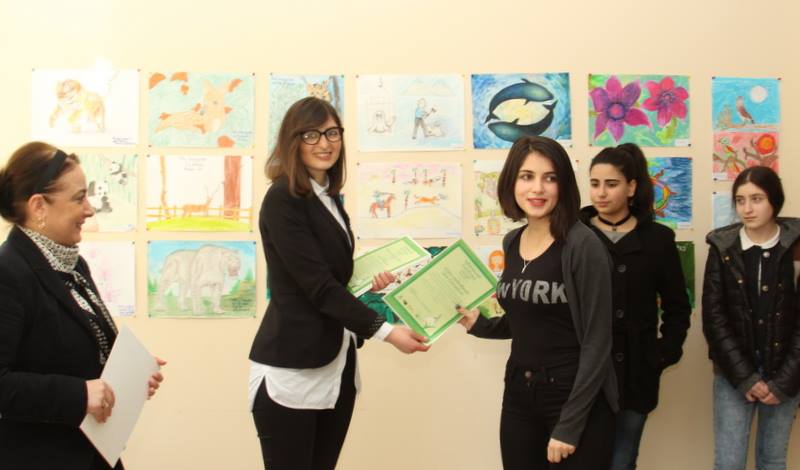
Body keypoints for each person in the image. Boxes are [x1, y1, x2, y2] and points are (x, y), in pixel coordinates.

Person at [248, 97, 429, 470]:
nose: (324, 143)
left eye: (332, 133)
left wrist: (366, 284)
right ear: (293, 141)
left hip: (337, 367)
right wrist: (387, 332)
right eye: (311, 134)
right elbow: (317, 287)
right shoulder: (282, 198)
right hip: (293, 371)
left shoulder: (329, 197)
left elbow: (331, 278)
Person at [0, 142, 165, 470]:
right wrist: (79, 395)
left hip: (94, 453)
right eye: (78, 198)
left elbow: (83, 351)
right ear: (39, 206)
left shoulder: (73, 267)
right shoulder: (8, 273)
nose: (90, 210)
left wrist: (130, 377)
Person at [458, 136, 618, 469]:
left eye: (550, 177)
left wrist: (569, 425)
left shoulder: (583, 246)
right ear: (511, 182)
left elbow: (597, 342)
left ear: (563, 185)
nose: (538, 188)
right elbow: (527, 317)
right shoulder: (512, 241)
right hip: (519, 391)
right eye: (527, 176)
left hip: (572, 395)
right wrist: (480, 325)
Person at [580, 143, 691, 470]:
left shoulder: (658, 239)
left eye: (611, 184)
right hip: (583, 372)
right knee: (582, 460)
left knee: (622, 460)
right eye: (595, 183)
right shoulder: (575, 234)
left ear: (631, 188)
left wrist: (663, 353)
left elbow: (677, 306)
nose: (601, 193)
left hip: (636, 373)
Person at [702, 166, 800, 470]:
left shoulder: (795, 247)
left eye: (756, 199)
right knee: (729, 461)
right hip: (734, 374)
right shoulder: (722, 247)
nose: (747, 208)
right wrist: (745, 376)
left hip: (785, 372)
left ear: (774, 201)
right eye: (740, 200)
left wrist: (785, 380)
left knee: (772, 460)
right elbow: (714, 318)